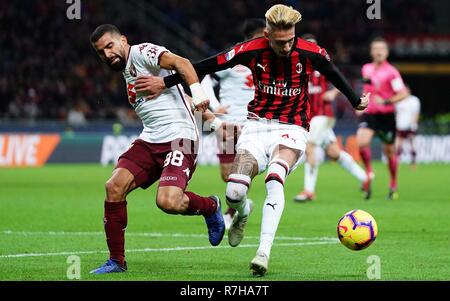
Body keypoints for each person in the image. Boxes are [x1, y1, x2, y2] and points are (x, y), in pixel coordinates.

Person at [137, 4, 369, 276]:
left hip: (292, 129)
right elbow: (206, 65)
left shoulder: (310, 52)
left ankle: (263, 252)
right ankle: (243, 212)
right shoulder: (250, 50)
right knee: (234, 191)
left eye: (290, 40)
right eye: (280, 41)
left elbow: (333, 74)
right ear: (267, 34)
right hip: (257, 127)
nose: (286, 47)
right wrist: (165, 83)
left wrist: (355, 100)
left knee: (274, 177)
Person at [89, 24, 226, 274]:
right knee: (114, 187)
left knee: (168, 202)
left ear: (123, 40)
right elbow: (175, 96)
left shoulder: (142, 52)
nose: (107, 54)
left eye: (110, 46)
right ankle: (116, 261)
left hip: (179, 138)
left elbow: (183, 63)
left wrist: (198, 94)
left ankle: (210, 207)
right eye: (101, 52)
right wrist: (212, 120)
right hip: (150, 138)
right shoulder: (127, 72)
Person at [201, 18, 266, 229]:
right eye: (263, 35)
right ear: (252, 37)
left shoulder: (268, 58)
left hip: (252, 122)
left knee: (245, 166)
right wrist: (214, 105)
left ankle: (231, 212)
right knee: (226, 174)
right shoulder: (235, 56)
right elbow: (205, 77)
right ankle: (244, 204)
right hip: (227, 123)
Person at [293, 34, 369, 202]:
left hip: (322, 115)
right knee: (334, 153)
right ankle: (365, 178)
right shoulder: (297, 69)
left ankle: (308, 191)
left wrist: (333, 92)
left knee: (310, 146)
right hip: (311, 117)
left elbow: (341, 80)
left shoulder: (320, 66)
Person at [358, 37, 410, 200]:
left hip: (387, 115)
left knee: (389, 152)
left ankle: (393, 183)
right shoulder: (366, 68)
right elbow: (367, 88)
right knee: (361, 142)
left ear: (386, 52)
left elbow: (403, 93)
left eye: (382, 49)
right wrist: (361, 104)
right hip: (371, 114)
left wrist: (387, 101)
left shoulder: (392, 72)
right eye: (376, 48)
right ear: (371, 52)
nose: (379, 51)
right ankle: (369, 173)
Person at [395, 86, 421, 169]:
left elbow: (416, 113)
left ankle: (413, 162)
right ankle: (396, 161)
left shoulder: (414, 100)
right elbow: (397, 114)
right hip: (400, 125)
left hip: (410, 125)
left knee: (412, 144)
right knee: (398, 144)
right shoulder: (398, 101)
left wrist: (414, 124)